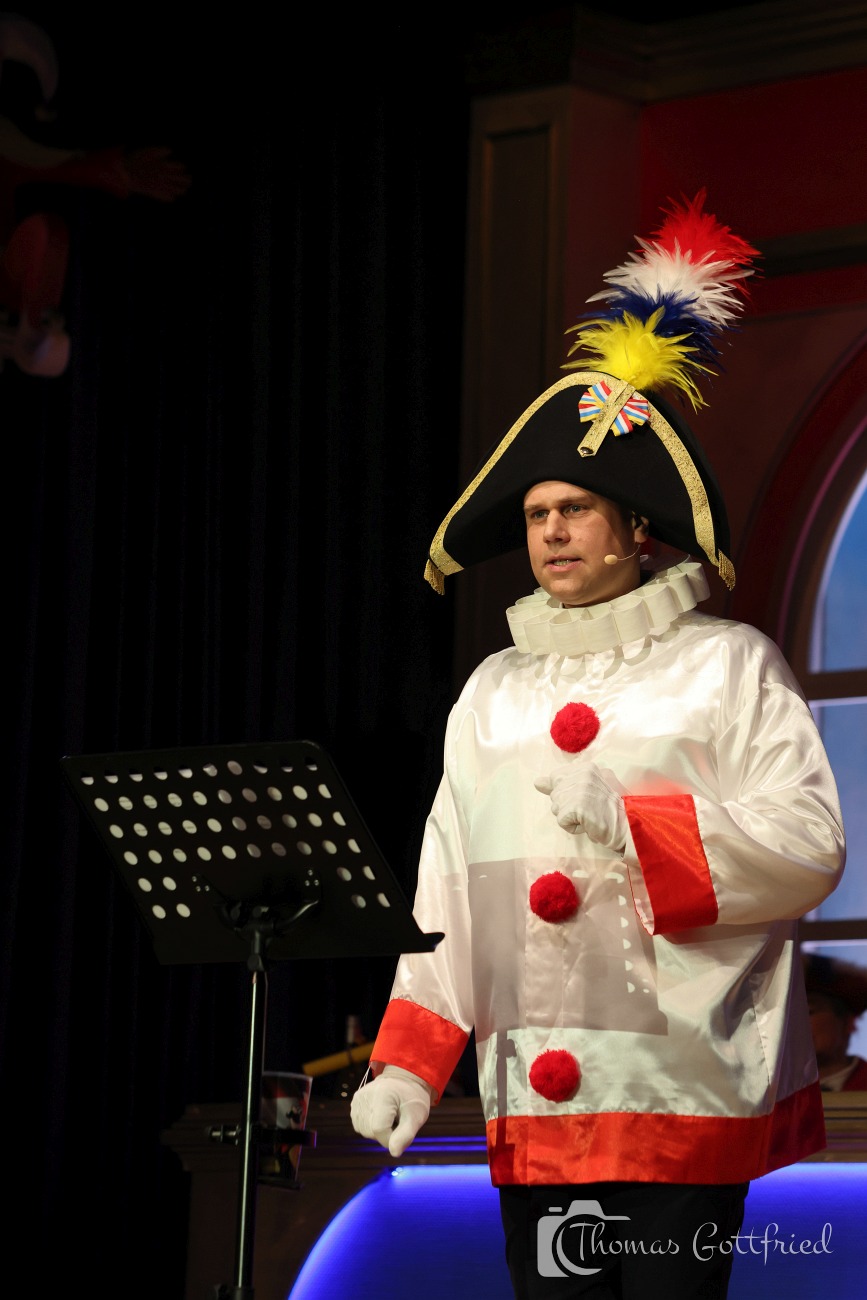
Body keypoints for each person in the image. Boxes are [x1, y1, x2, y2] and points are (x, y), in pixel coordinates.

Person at [350, 194, 847, 1298]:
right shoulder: (492, 692)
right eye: (537, 516)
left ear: (636, 529)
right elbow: (448, 891)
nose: (552, 532)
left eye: (576, 509)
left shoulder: (728, 664)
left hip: (681, 1088)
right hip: (534, 1102)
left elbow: (809, 843)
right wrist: (410, 1061)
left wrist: (637, 826)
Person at [803, 952, 867, 1091]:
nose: (793, 1025)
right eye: (787, 1016)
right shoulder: (768, 1092)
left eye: (809, 1012)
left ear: (848, 1023)